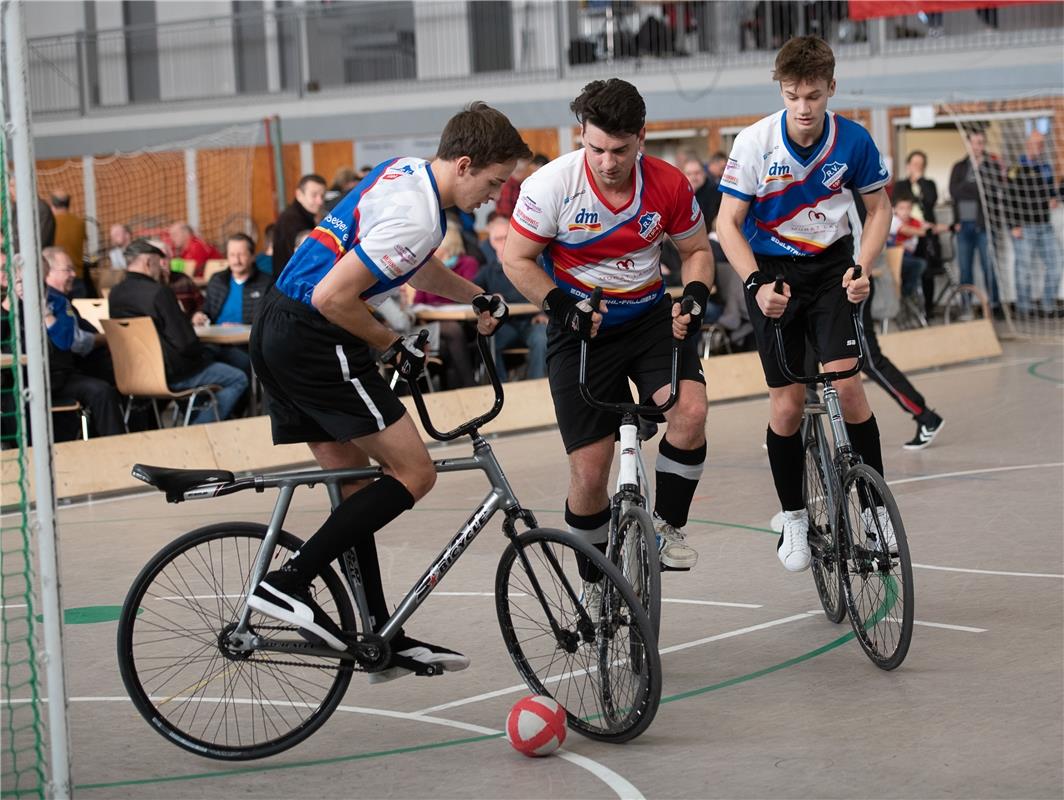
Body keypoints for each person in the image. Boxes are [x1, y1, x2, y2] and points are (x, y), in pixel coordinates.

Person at [246, 102, 530, 680]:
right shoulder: (421, 217)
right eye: (495, 182)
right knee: (415, 473)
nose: (494, 197)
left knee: (355, 491)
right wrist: (391, 343)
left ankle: (375, 632)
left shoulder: (406, 173)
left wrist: (473, 294)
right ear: (467, 163)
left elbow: (411, 267)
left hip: (278, 331)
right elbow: (333, 298)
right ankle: (287, 583)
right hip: (315, 334)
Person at [503, 78, 713, 573]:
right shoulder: (550, 186)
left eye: (620, 150)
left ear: (642, 136)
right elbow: (516, 260)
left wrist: (698, 295)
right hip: (579, 330)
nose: (607, 162)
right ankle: (597, 582)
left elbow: (697, 251)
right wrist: (561, 306)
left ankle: (665, 529)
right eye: (596, 148)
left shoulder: (669, 183)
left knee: (691, 412)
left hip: (648, 318)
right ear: (581, 134)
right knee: (591, 471)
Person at [715, 35, 894, 572]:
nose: (803, 107)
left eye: (813, 95)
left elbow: (879, 208)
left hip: (830, 266)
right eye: (792, 95)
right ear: (781, 91)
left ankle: (875, 509)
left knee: (848, 384)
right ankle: (793, 516)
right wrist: (754, 285)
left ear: (830, 89)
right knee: (788, 405)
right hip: (772, 274)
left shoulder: (855, 141)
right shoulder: (754, 143)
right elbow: (726, 223)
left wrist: (864, 266)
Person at [108, 239, 248, 424]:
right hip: (171, 375)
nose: (161, 270)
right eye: (159, 264)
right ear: (148, 263)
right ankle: (197, 428)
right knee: (238, 377)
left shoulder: (115, 294)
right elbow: (185, 343)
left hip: (132, 375)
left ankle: (196, 416)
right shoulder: (159, 293)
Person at [40, 248, 125, 438]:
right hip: (38, 379)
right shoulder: (15, 306)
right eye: (67, 270)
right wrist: (105, 338)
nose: (73, 274)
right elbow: (75, 342)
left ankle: (117, 445)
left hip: (63, 374)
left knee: (106, 387)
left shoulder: (59, 302)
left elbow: (66, 340)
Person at [474, 214, 547, 380]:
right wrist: (490, 298)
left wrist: (544, 314)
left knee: (541, 337)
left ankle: (535, 390)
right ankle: (503, 391)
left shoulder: (537, 263)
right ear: (491, 242)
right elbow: (472, 294)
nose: (502, 243)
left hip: (532, 321)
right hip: (504, 325)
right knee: (487, 340)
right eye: (497, 239)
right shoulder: (488, 271)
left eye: (506, 237)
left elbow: (552, 291)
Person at [191, 233, 271, 375]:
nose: (236, 260)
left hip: (245, 346)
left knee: (240, 364)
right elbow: (207, 310)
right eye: (232, 255)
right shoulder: (217, 280)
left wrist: (242, 327)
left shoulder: (266, 283)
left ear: (253, 256)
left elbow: (268, 320)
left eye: (241, 255)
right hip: (214, 343)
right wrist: (199, 316)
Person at [411, 227, 481, 389]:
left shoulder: (467, 264)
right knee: (447, 341)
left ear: (447, 246)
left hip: (465, 322)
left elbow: (467, 296)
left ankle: (466, 386)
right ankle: (466, 385)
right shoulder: (426, 269)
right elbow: (418, 300)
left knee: (452, 335)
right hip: (436, 322)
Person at [949, 129, 1003, 315]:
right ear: (969, 144)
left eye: (981, 142)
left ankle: (995, 306)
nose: (977, 146)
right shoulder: (959, 166)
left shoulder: (992, 166)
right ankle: (966, 307)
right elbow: (954, 192)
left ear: (984, 144)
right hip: (963, 225)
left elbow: (989, 192)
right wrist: (974, 187)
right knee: (965, 270)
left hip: (984, 225)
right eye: (974, 142)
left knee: (989, 268)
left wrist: (970, 189)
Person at [1007, 130, 1061, 316]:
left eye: (1041, 144)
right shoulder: (1016, 168)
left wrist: (1054, 198)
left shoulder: (1046, 167)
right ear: (1028, 145)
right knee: (1024, 268)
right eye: (1035, 144)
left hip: (1045, 225)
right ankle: (1023, 309)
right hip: (1023, 226)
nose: (1038, 147)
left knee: (1056, 263)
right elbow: (1009, 198)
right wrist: (1014, 225)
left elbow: (1049, 192)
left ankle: (1048, 307)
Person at [893, 150, 943, 318]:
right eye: (914, 164)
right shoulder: (900, 185)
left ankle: (928, 309)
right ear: (908, 165)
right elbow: (898, 206)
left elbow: (931, 201)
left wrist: (920, 181)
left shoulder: (929, 184)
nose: (917, 168)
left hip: (925, 236)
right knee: (908, 269)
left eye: (920, 165)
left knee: (928, 271)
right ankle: (908, 307)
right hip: (907, 236)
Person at [273, 174, 327, 279]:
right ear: (299, 194)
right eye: (314, 195)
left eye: (322, 196)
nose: (320, 201)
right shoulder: (291, 220)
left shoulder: (307, 215)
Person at [49, 191, 87, 293]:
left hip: (58, 277)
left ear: (52, 205)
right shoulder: (80, 222)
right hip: (78, 275)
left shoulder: (50, 222)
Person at [494, 153, 549, 217]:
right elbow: (505, 215)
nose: (532, 174)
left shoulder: (522, 186)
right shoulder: (509, 187)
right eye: (531, 171)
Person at [683, 157, 721, 232]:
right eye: (689, 174)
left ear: (704, 173)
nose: (693, 177)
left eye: (697, 173)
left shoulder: (716, 192)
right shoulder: (681, 194)